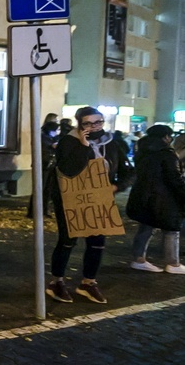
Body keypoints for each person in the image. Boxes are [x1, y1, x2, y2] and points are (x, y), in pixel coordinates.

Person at [46, 107, 126, 304]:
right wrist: (83, 145)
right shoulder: (69, 141)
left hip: (99, 200)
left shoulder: (112, 143)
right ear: (79, 124)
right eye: (88, 123)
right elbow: (68, 169)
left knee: (97, 241)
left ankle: (88, 283)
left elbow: (128, 170)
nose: (94, 127)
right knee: (68, 240)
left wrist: (117, 186)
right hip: (70, 200)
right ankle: (56, 282)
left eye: (98, 122)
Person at [126, 125, 185, 274]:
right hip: (163, 197)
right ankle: (173, 263)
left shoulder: (142, 150)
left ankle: (138, 259)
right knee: (172, 228)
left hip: (143, 194)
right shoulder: (167, 153)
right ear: (165, 137)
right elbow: (174, 178)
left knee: (146, 226)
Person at [27, 120, 60, 218]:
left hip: (50, 166)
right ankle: (33, 211)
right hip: (43, 165)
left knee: (47, 190)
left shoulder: (51, 138)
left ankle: (44, 210)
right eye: (56, 130)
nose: (57, 132)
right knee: (39, 189)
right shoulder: (42, 138)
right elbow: (44, 149)